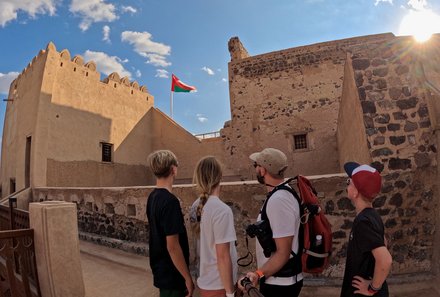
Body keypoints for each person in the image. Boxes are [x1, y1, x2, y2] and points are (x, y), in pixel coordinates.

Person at [239, 148, 303, 297]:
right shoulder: (282, 193)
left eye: (256, 165)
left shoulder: (278, 200)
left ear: (263, 170)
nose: (255, 169)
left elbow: (283, 253)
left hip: (280, 283)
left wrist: (258, 274)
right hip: (280, 279)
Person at [146, 150, 194, 297]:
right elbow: (172, 246)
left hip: (161, 270)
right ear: (173, 169)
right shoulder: (170, 201)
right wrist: (187, 278)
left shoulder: (152, 197)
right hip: (172, 275)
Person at [341, 162, 393, 297]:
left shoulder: (363, 222)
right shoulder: (372, 215)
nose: (347, 185)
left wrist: (372, 289)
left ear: (355, 192)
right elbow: (383, 243)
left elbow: (385, 260)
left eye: (349, 182)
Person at [191, 156, 238, 297]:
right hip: (219, 285)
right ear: (220, 176)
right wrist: (230, 293)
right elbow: (223, 256)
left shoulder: (195, 206)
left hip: (205, 281)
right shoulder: (222, 210)